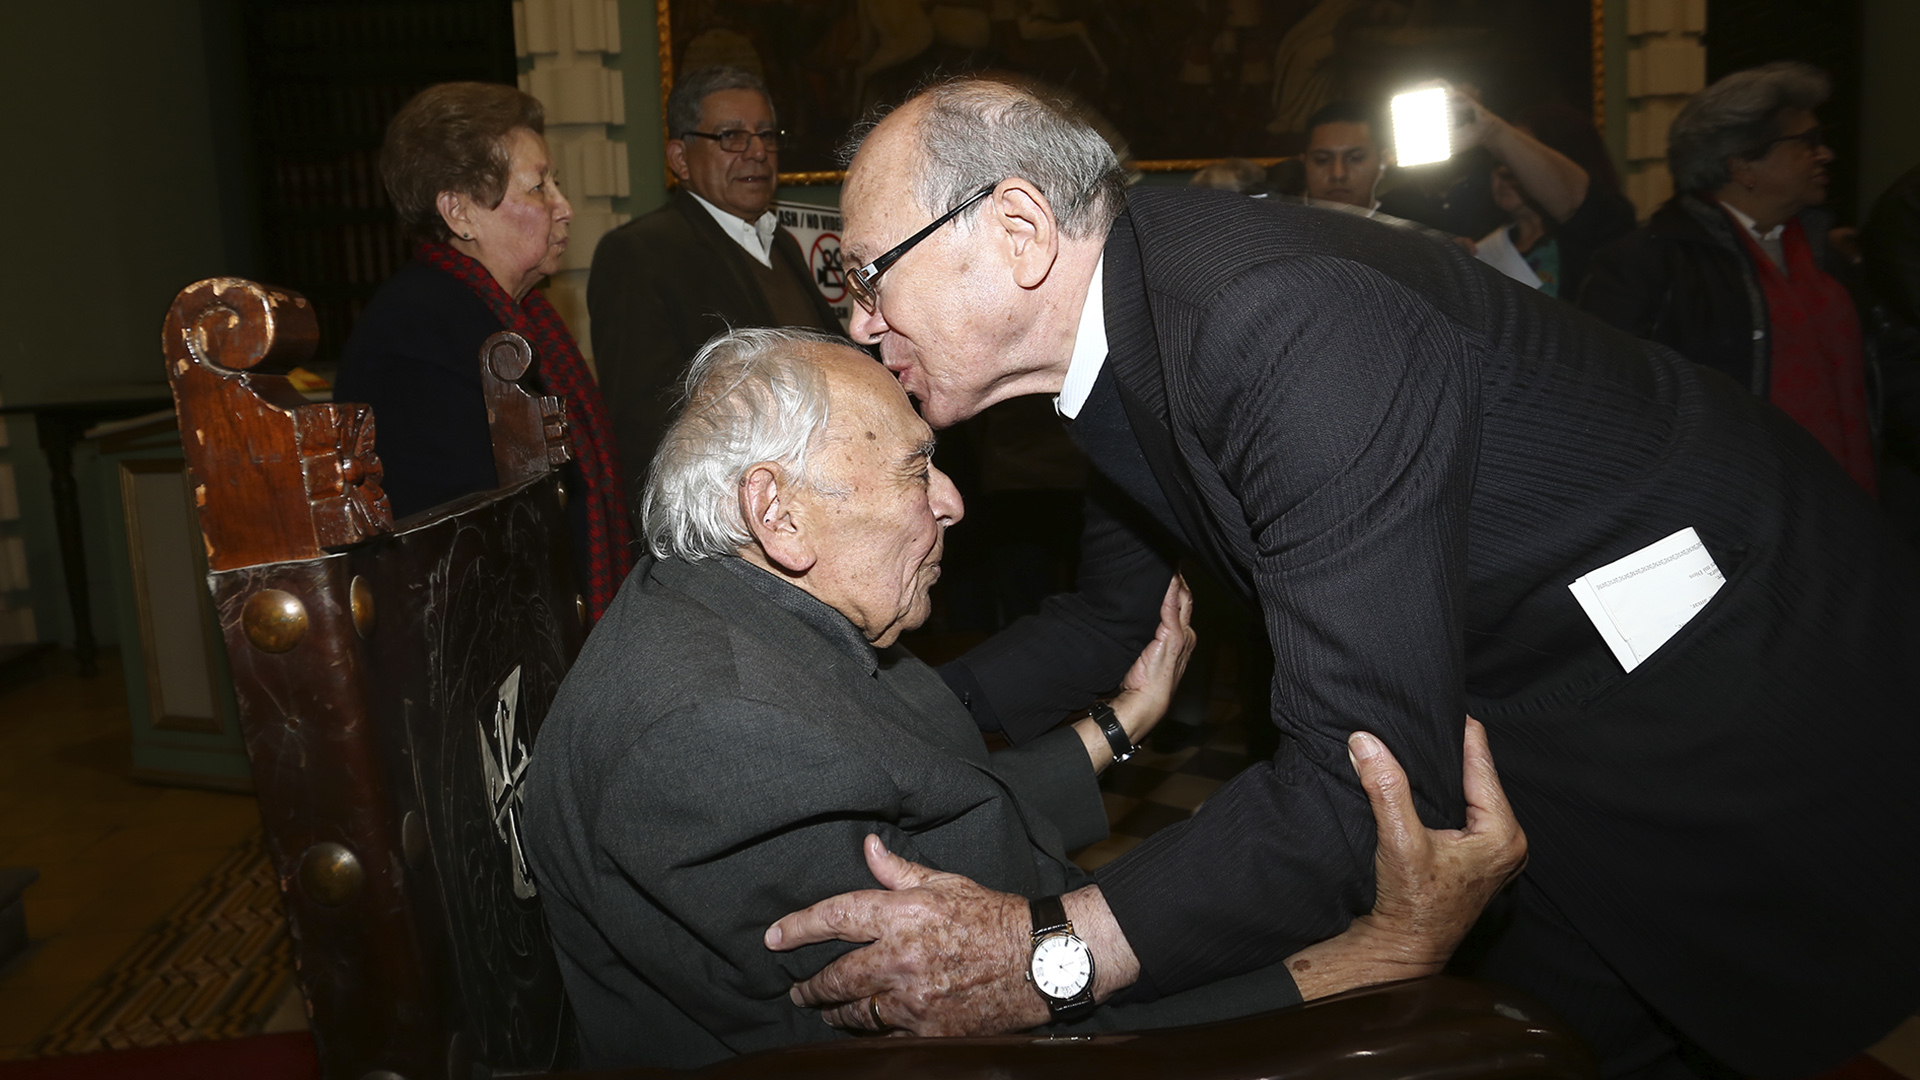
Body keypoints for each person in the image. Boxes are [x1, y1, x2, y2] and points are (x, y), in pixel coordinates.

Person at [764, 77, 1920, 1079]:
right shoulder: (1120, 336)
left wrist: (1043, 954)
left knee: (1702, 1013)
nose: (860, 323)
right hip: (1515, 710)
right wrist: (869, 722)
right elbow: (1112, 619)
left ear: (1016, 230)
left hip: (1726, 673)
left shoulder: (1275, 319)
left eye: (868, 275)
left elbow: (1355, 776)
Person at [520, 327, 1528, 1069]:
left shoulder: (739, 618)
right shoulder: (716, 733)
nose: (953, 500)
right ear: (776, 512)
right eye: (920, 468)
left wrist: (1116, 725)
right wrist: (1378, 957)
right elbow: (975, 1041)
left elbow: (914, 808)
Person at [333, 82, 633, 620]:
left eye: (555, 183)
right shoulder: (414, 334)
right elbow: (457, 545)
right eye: (539, 187)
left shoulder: (516, 313)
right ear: (459, 213)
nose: (564, 208)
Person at [1582, 62, 1875, 493]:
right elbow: (1608, 402)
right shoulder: (1648, 263)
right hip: (1730, 510)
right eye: (1807, 142)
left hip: (1850, 510)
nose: (1825, 153)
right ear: (1742, 166)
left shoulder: (1826, 257)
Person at [588, 66, 846, 507]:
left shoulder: (777, 239)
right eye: (731, 137)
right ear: (680, 159)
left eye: (766, 134)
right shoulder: (638, 253)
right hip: (728, 522)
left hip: (818, 499)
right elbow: (645, 426)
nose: (757, 152)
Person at [1459, 97, 1636, 301]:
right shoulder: (1483, 237)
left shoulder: (1605, 223)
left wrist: (1491, 130)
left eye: (1520, 161)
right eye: (1498, 159)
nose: (1503, 170)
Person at [1299, 100, 1390, 213]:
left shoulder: (1408, 227)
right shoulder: (1277, 225)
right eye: (1322, 160)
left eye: (1355, 158)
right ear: (1304, 164)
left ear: (1383, 162)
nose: (1338, 174)